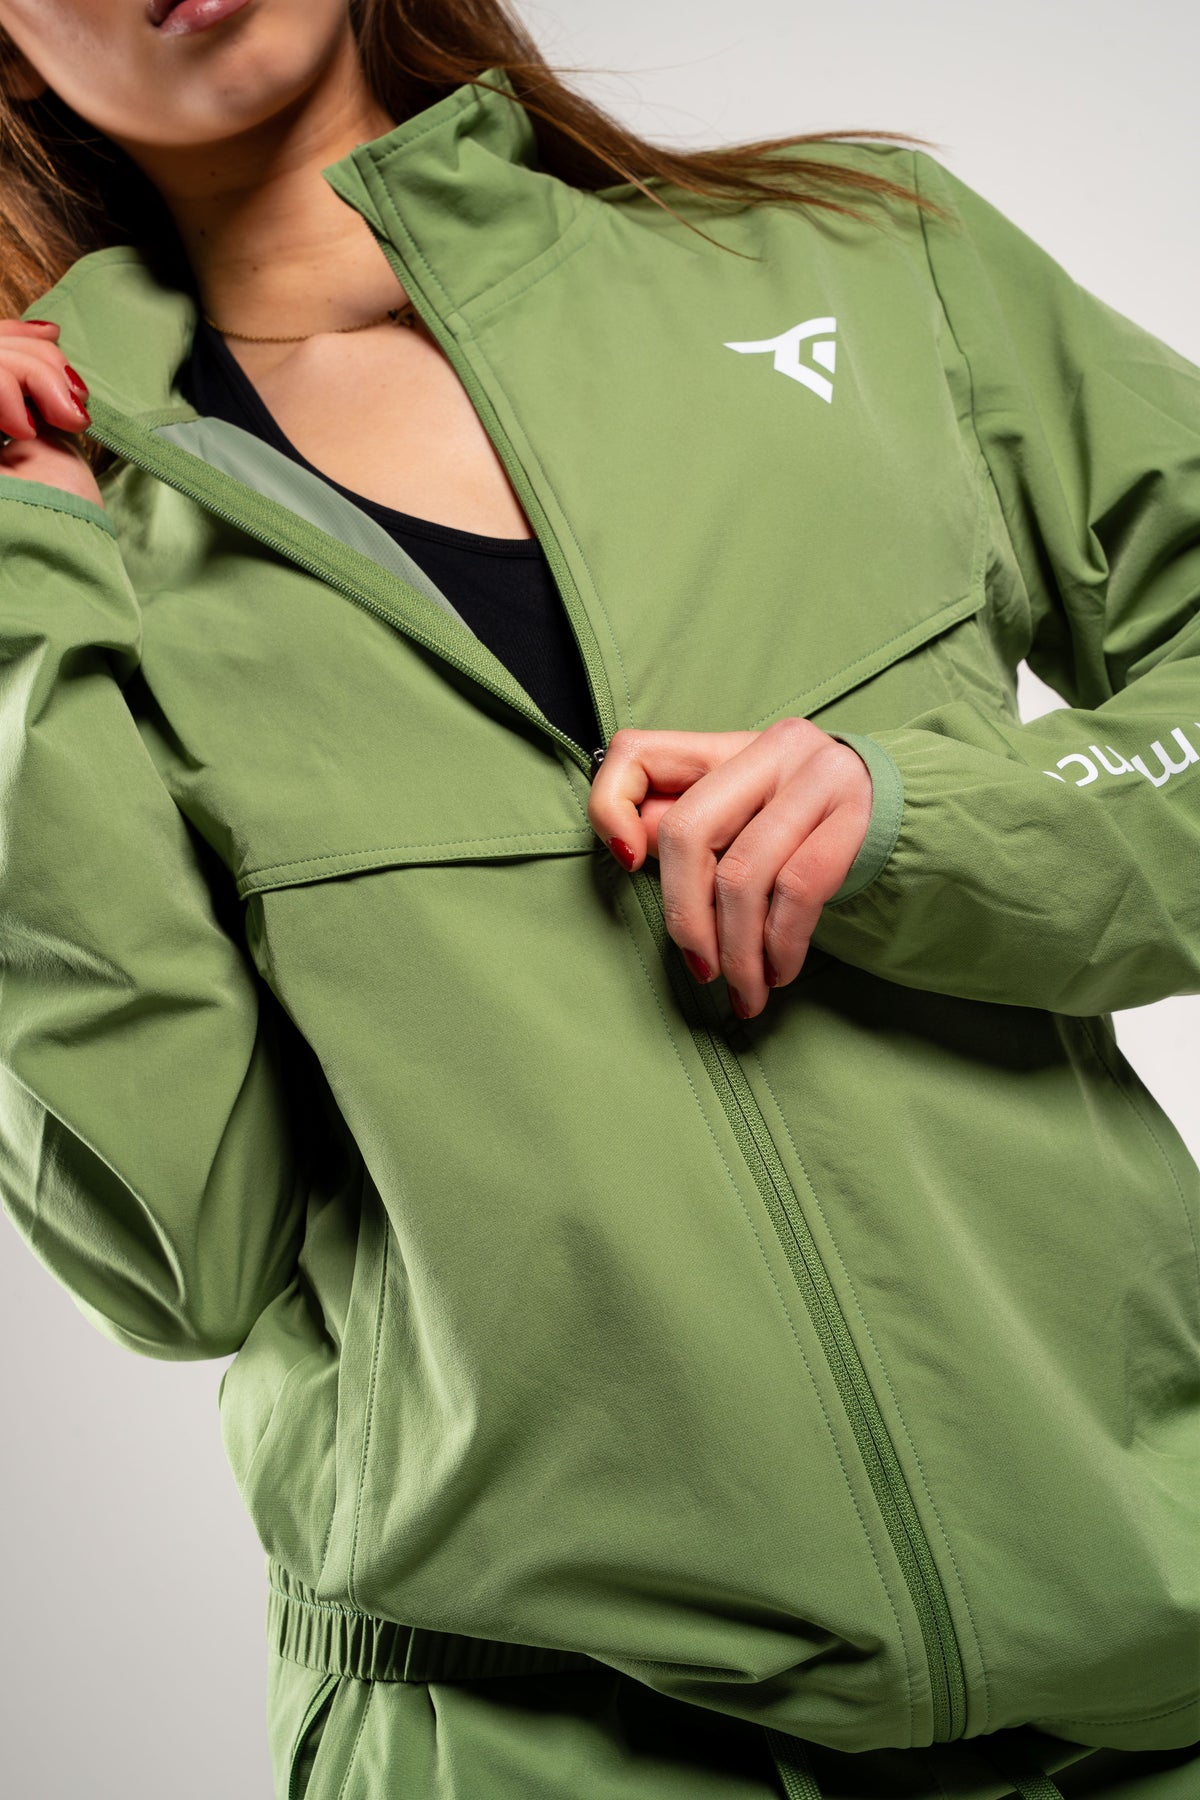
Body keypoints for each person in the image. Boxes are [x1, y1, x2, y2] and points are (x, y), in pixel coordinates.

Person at [0, 0, 1196, 1795]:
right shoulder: (61, 515)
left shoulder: (865, 258)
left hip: (1148, 1682)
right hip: (520, 1736)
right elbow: (180, 1254)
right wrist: (20, 576)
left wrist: (928, 820)